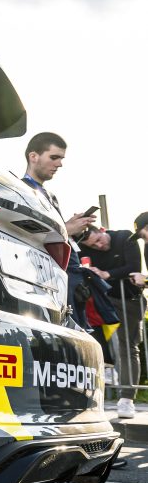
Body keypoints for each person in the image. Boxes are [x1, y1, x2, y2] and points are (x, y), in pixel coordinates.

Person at [20, 132, 95, 326]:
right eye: (54, 157)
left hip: (68, 277)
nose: (59, 164)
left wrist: (72, 227)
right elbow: (27, 233)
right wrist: (67, 228)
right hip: (46, 280)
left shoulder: (50, 195)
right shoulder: (21, 190)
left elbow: (56, 233)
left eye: (61, 158)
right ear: (33, 156)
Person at [79, 222, 147, 420]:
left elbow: (133, 267)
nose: (99, 246)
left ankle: (127, 398)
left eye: (99, 240)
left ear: (102, 230)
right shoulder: (84, 247)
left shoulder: (125, 237)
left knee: (128, 348)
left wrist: (105, 274)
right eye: (93, 245)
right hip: (104, 300)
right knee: (87, 332)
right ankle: (106, 366)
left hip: (129, 300)